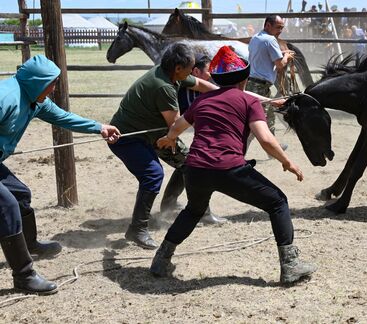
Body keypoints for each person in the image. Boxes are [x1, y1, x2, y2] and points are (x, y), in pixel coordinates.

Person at [150, 46, 317, 284]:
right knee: (278, 202)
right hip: (228, 168)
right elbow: (266, 139)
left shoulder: (202, 100)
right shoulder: (249, 102)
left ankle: (161, 259)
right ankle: (290, 265)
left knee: (193, 210)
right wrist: (287, 162)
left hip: (195, 168)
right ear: (245, 79)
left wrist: (169, 138)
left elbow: (177, 127)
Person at [0, 55, 120, 294]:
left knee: (20, 194)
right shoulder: (6, 98)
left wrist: (100, 127)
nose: (54, 88)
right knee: (7, 206)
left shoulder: (35, 99)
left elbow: (63, 117)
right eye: (52, 83)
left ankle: (30, 244)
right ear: (38, 81)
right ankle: (24, 276)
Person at [108, 43, 220, 250]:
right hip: (128, 138)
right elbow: (176, 126)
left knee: (192, 163)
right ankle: (137, 229)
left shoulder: (170, 73)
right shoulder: (164, 86)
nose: (193, 70)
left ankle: (185, 207)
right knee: (153, 174)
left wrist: (224, 95)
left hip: (155, 134)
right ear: (178, 67)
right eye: (191, 67)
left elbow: (202, 85)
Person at [159, 54, 227, 225]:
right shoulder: (182, 87)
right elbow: (180, 122)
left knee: (185, 162)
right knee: (194, 165)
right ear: (195, 71)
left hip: (169, 132)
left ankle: (168, 204)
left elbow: (229, 94)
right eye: (209, 73)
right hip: (163, 134)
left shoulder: (195, 85)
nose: (212, 77)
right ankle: (202, 213)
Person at [247, 15, 294, 142]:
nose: (280, 30)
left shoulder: (255, 38)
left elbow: (264, 56)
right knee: (258, 122)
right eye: (278, 27)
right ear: (268, 25)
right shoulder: (271, 40)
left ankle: (273, 148)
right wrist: (287, 57)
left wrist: (282, 54)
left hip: (253, 84)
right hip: (260, 86)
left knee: (268, 118)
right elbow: (280, 65)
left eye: (282, 28)